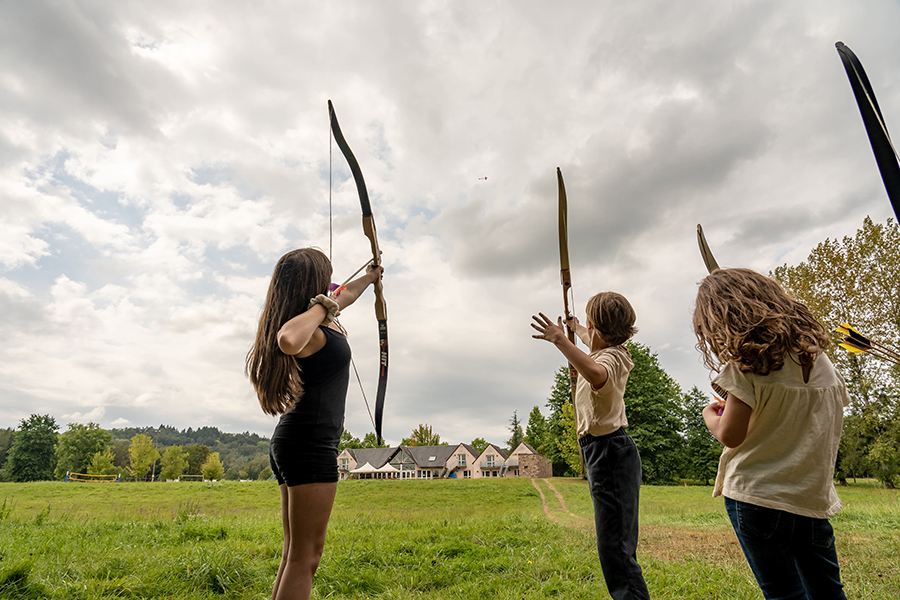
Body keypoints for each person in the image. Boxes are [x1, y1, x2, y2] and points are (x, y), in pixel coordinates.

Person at [693, 268, 849, 600]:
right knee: (828, 592)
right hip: (810, 497)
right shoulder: (821, 361)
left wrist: (710, 413)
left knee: (784, 594)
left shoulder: (747, 365)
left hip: (757, 496)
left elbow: (731, 434)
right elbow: (826, 412)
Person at [245, 248, 382, 600]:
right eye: (326, 276)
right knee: (306, 556)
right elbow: (287, 341)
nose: (331, 283)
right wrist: (322, 306)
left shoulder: (319, 315)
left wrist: (370, 277)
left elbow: (344, 294)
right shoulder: (306, 326)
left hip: (294, 441)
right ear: (311, 283)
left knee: (295, 554)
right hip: (308, 445)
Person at [531, 292, 651, 600]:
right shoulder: (607, 349)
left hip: (609, 452)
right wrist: (574, 327)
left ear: (595, 325)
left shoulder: (608, 359)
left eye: (587, 324)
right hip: (606, 451)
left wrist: (561, 340)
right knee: (613, 545)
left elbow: (597, 372)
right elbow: (588, 341)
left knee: (615, 549)